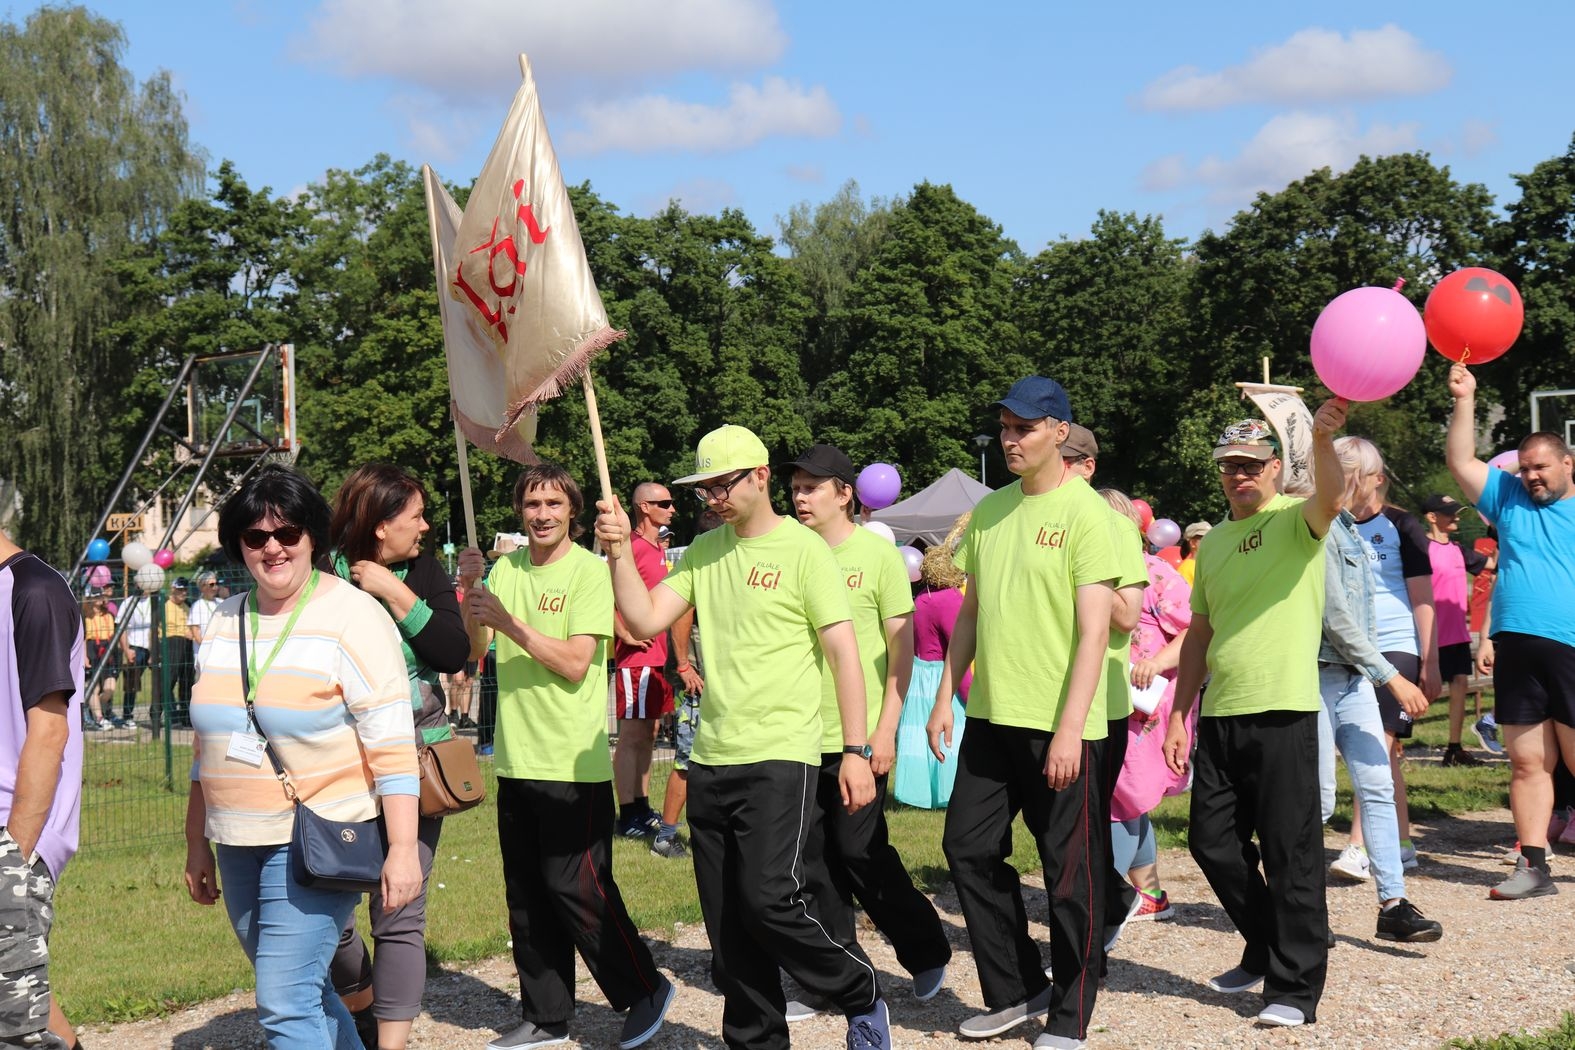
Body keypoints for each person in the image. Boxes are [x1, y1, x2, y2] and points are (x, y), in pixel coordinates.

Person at [595, 424, 892, 1050]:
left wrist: (857, 751)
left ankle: (859, 991)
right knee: (728, 927)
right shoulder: (705, 552)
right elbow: (644, 618)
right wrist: (619, 552)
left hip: (781, 756)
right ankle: (757, 1041)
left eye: (721, 485)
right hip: (709, 759)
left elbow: (844, 654)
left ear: (760, 477)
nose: (712, 499)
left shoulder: (806, 551)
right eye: (702, 490)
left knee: (769, 901)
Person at [183, 463, 423, 1050]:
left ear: (312, 536)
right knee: (306, 994)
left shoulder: (353, 616)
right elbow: (206, 744)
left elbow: (392, 747)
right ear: (238, 544)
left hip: (316, 835)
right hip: (236, 838)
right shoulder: (221, 620)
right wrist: (196, 841)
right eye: (257, 536)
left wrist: (403, 852)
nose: (273, 548)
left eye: (287, 533)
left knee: (284, 1004)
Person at [927, 377, 1119, 1050]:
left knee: (1070, 879)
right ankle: (1016, 989)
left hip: (1061, 722)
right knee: (966, 849)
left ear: (1058, 433)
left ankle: (1070, 1013)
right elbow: (972, 612)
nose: (1010, 439)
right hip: (991, 715)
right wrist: (943, 696)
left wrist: (1070, 728)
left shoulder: (1088, 515)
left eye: (1024, 429)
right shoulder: (990, 512)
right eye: (1004, 428)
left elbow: (1096, 631)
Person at [458, 464, 674, 1050]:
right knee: (526, 894)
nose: (542, 513)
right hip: (516, 761)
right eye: (532, 503)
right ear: (520, 511)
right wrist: (470, 595)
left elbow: (577, 662)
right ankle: (546, 1016)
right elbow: (477, 648)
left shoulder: (589, 572)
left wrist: (509, 621)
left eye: (554, 502)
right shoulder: (506, 568)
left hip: (572, 766)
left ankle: (646, 989)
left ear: (573, 511)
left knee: (578, 888)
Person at [1162, 408, 1345, 1030]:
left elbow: (1332, 492)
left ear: (1274, 467)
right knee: (1212, 843)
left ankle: (1295, 988)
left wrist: (1319, 437)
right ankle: (1270, 945)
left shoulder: (1297, 521)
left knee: (1292, 854)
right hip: (1221, 713)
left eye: (1249, 465)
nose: (1237, 476)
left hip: (1283, 710)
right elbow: (1199, 634)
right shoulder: (1211, 541)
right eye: (1228, 467)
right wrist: (1178, 713)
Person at [786, 442, 950, 1015]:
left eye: (812, 487)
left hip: (859, 735)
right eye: (796, 486)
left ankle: (926, 949)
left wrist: (885, 731)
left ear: (844, 494)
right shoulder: (790, 552)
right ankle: (839, 975)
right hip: (799, 735)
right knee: (810, 859)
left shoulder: (877, 556)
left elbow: (902, 652)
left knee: (859, 851)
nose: (800, 496)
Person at [325, 464, 471, 1050]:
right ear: (380, 526)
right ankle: (360, 999)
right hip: (334, 764)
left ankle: (391, 1044)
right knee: (327, 914)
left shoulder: (424, 570)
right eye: (415, 516)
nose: (426, 525)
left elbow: (452, 649)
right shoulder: (323, 572)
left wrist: (394, 590)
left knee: (398, 907)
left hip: (414, 757)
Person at [1446, 363, 1575, 900]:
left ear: (1568, 463)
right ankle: (1534, 865)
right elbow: (1459, 460)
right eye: (1525, 469)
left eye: (1541, 467)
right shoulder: (1507, 498)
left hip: (1570, 646)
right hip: (1518, 646)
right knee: (1526, 762)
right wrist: (1465, 398)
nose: (1531, 477)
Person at [1312, 473, 1444, 943]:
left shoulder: (1352, 527)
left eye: (1357, 472)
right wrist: (1390, 674)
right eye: (1341, 470)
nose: (1351, 482)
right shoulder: (1318, 528)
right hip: (1318, 675)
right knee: (1319, 797)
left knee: (1378, 784)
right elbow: (1334, 615)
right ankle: (1305, 909)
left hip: (1354, 678)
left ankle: (1393, 904)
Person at [1058, 425, 1154, 953]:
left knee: (1085, 823)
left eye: (1068, 460)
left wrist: (1081, 582)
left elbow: (1124, 619)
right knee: (1065, 824)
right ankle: (1108, 904)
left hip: (1105, 702)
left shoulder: (1112, 531)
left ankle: (1099, 921)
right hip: (1054, 695)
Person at [1328, 438, 1437, 878]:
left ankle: (1359, 845)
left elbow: (1423, 597)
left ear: (1376, 478)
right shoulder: (1330, 524)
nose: (1349, 485)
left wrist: (1428, 661)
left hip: (1397, 642)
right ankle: (1401, 842)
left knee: (1379, 743)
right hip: (1353, 646)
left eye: (1354, 475)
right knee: (1383, 754)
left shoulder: (1401, 525)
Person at [0, 526, 85, 1050]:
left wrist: (14, 854)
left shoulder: (34, 590)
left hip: (14, 834)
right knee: (23, 1005)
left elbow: (49, 729)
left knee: (15, 1030)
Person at [1099, 488, 1193, 924]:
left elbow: (1195, 634)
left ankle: (1108, 901)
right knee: (1128, 796)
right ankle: (1149, 893)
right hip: (1108, 698)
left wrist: (1154, 661)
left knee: (1119, 798)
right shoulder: (1094, 573)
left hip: (1145, 705)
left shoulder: (1156, 574)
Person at [651, 508, 722, 860]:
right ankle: (665, 836)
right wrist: (683, 666)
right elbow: (682, 613)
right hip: (696, 681)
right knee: (687, 759)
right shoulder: (703, 561)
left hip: (713, 680)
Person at [612, 482, 678, 840]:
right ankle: (627, 814)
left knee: (649, 734)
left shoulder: (657, 549)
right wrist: (623, 634)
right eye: (664, 503)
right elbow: (605, 592)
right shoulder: (632, 547)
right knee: (632, 735)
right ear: (644, 508)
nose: (672, 509)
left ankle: (641, 804)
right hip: (636, 659)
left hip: (658, 659)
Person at [893, 515, 971, 810]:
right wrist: (969, 691)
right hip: (941, 675)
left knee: (921, 735)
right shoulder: (949, 600)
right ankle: (948, 791)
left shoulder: (920, 599)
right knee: (951, 734)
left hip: (919, 674)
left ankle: (921, 792)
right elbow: (958, 647)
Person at [1422, 494, 1493, 765]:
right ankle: (1394, 744)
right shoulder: (1419, 548)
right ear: (1432, 517)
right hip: (1428, 635)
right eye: (1450, 513)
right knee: (1418, 692)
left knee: (1460, 686)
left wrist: (1498, 529)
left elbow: (1493, 564)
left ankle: (1454, 747)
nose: (1456, 517)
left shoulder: (1458, 550)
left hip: (1456, 636)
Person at [79, 591, 117, 731]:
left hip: (106, 649)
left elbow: (113, 634)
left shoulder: (108, 614)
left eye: (101, 596)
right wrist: (84, 655)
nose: (100, 598)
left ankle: (93, 707)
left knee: (110, 687)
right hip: (91, 649)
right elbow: (82, 638)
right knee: (93, 686)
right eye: (97, 595)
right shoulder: (85, 616)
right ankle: (99, 717)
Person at [115, 588, 152, 729]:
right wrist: (126, 649)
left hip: (151, 646)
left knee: (161, 681)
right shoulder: (127, 603)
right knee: (132, 684)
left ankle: (157, 714)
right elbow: (121, 628)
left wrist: (154, 651)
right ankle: (127, 716)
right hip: (134, 648)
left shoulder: (156, 600)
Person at [165, 578, 195, 729]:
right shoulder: (163, 605)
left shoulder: (188, 606)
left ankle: (185, 717)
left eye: (185, 590)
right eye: (180, 589)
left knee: (187, 682)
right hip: (170, 643)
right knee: (169, 681)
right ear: (173, 589)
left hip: (187, 644)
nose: (184, 592)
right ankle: (167, 715)